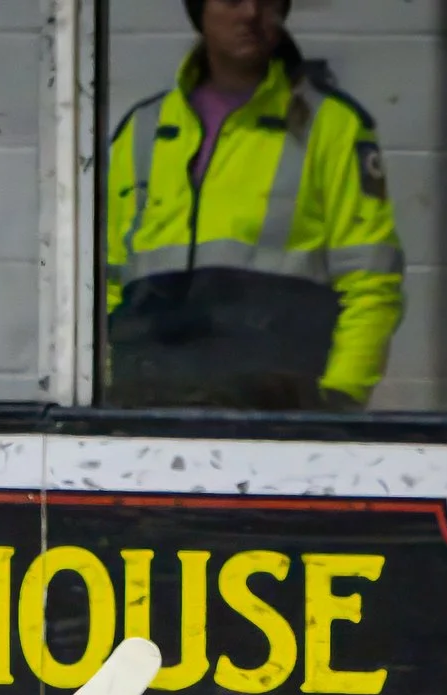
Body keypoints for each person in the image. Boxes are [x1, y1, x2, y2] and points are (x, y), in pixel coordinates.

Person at [104, 0, 403, 411]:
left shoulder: (332, 126)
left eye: (266, 1)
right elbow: (105, 280)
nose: (250, 13)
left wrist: (339, 398)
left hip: (277, 414)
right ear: (199, 11)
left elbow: (371, 280)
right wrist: (101, 386)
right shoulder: (142, 130)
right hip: (145, 404)